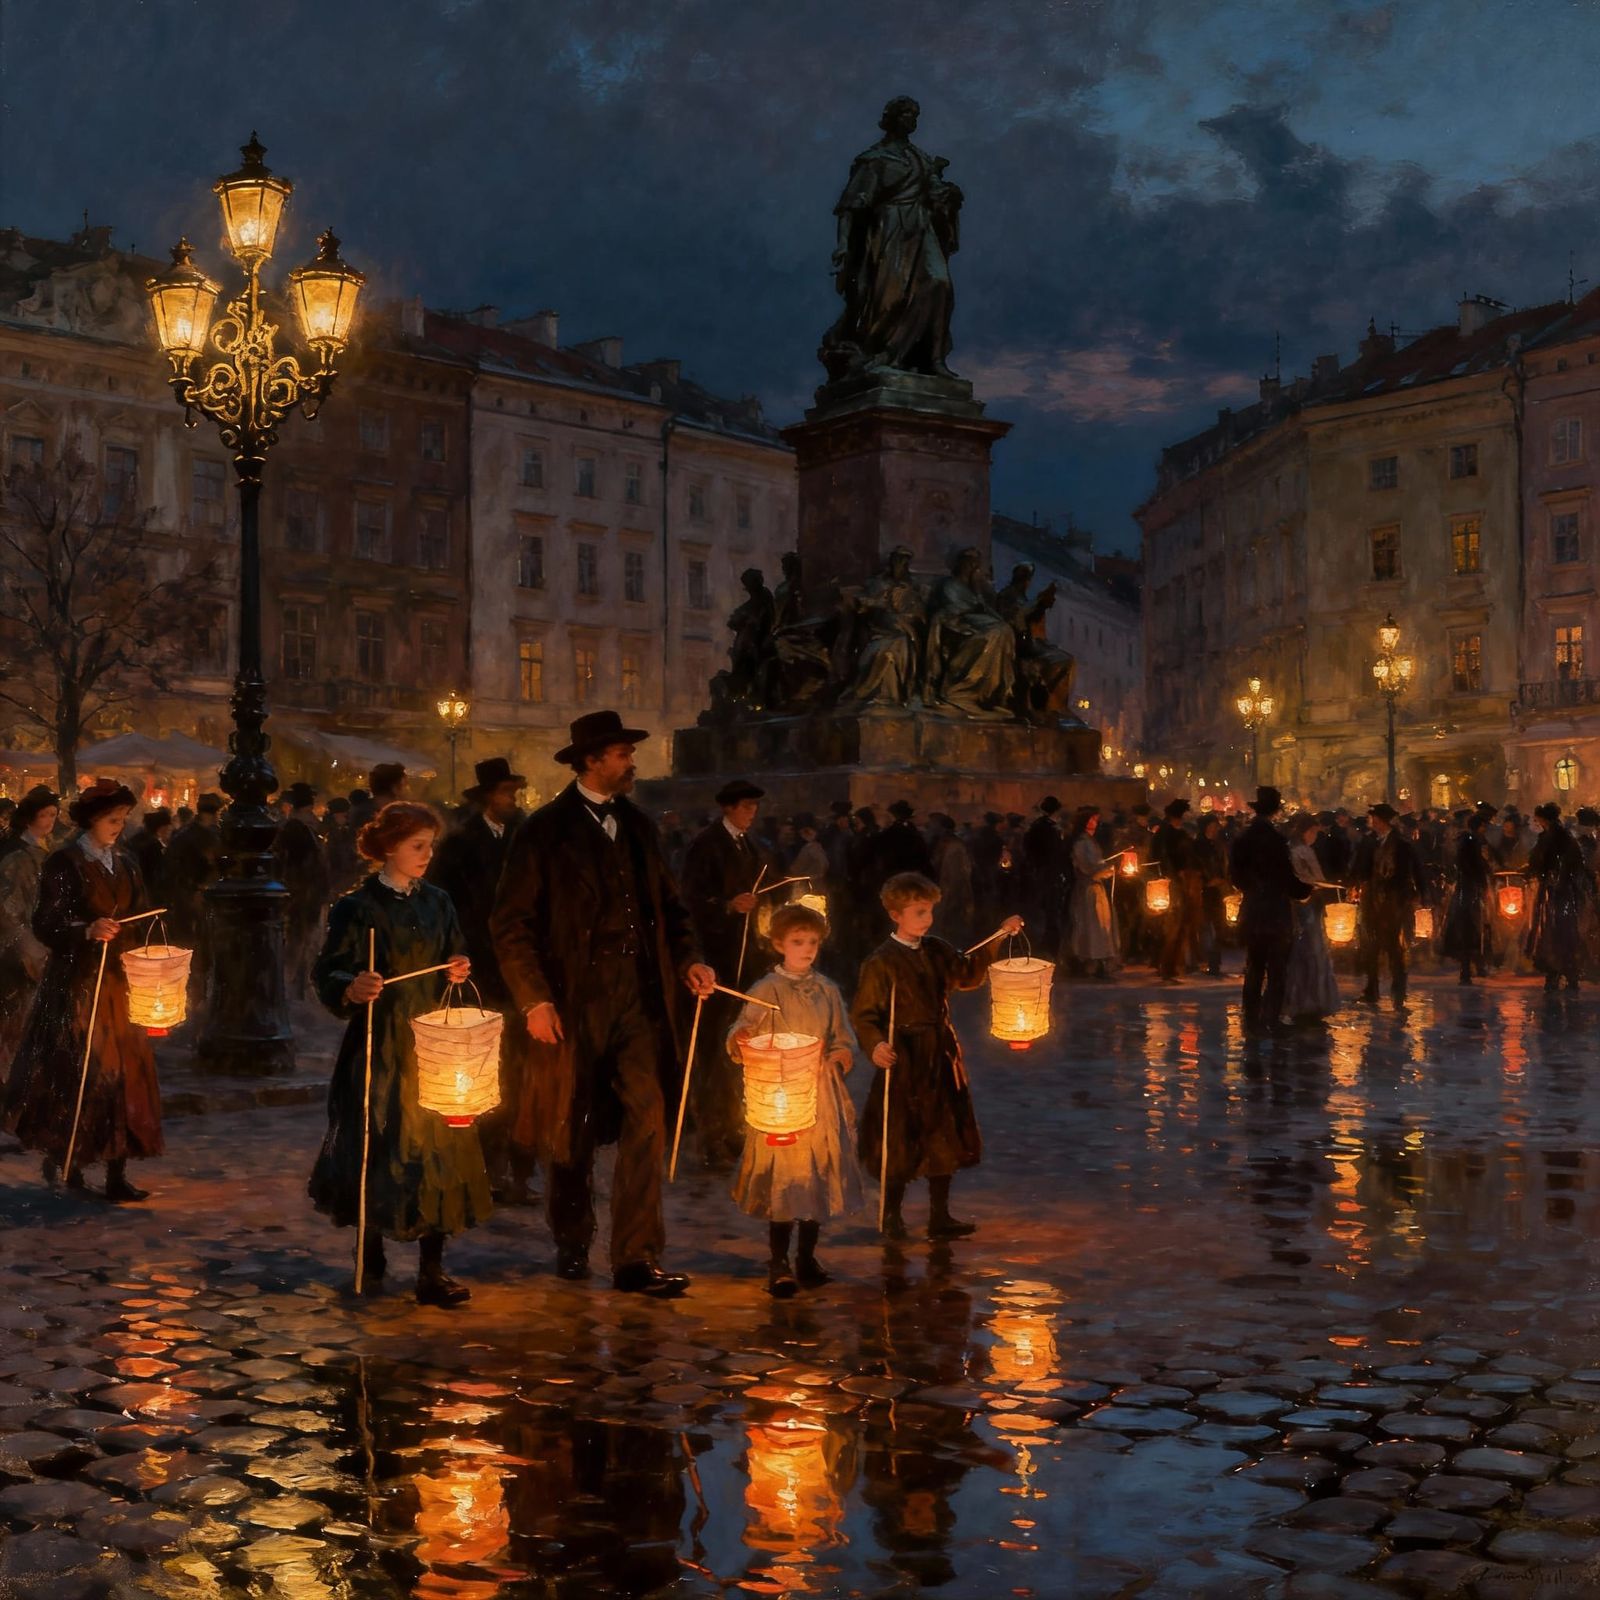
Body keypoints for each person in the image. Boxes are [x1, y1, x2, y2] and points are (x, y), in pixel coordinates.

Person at [490, 711, 714, 1297]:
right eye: (620, 754)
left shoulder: (640, 827)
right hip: (573, 1001)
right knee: (573, 1125)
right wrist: (535, 999)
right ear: (591, 761)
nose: (630, 762)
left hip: (640, 998)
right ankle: (571, 1238)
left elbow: (674, 908)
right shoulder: (543, 831)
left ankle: (637, 1257)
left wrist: (689, 959)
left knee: (648, 1120)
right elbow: (510, 925)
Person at [310, 802, 484, 1307]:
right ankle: (370, 1248)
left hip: (433, 1040)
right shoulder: (357, 907)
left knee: (436, 1149)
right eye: (417, 846)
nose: (428, 855)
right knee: (377, 1142)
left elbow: (455, 949)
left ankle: (433, 1268)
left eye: (431, 845)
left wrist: (456, 965)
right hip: (379, 1042)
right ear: (389, 848)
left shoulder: (439, 902)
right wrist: (351, 986)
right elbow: (328, 972)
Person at [2, 780, 160, 1200]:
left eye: (123, 820)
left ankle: (116, 1170)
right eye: (112, 820)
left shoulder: (125, 863)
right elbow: (46, 923)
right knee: (82, 1070)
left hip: (120, 983)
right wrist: (86, 930)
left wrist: (144, 935)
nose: (118, 827)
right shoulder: (65, 863)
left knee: (123, 1074)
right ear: (92, 820)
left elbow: (141, 911)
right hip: (78, 984)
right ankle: (68, 1160)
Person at [851, 871, 1022, 1240]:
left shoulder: (937, 949)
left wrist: (997, 937)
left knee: (942, 1134)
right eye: (918, 913)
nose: (927, 920)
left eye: (929, 912)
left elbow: (967, 972)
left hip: (939, 1054)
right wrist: (876, 1045)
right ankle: (891, 1215)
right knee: (900, 1138)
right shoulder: (881, 962)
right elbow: (864, 1015)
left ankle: (939, 1215)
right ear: (896, 915)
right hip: (905, 1059)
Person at [725, 903, 862, 1297]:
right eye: (798, 942)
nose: (807, 949)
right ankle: (778, 1260)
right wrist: (741, 1038)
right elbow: (743, 1026)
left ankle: (807, 1256)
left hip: (817, 1095)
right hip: (781, 1094)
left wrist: (839, 1054)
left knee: (815, 1175)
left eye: (813, 942)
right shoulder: (766, 990)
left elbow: (842, 1035)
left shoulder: (827, 990)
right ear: (779, 944)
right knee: (784, 1179)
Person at [427, 757, 534, 1205]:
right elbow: (443, 907)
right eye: (507, 792)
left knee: (521, 1075)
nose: (514, 800)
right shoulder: (460, 844)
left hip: (521, 973)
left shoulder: (524, 836)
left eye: (515, 792)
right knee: (483, 1074)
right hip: (480, 972)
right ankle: (482, 1170)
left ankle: (518, 1170)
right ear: (489, 796)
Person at [681, 779, 777, 1169]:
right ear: (728, 808)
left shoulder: (756, 849)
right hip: (714, 962)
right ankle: (711, 1135)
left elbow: (767, 895)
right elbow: (688, 900)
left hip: (748, 961)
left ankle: (734, 1128)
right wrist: (726, 906)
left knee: (742, 1047)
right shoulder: (706, 845)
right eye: (745, 807)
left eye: (755, 807)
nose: (751, 813)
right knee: (713, 1050)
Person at [1229, 786, 1312, 1036]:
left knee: (1254, 965)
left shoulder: (1243, 839)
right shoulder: (1276, 840)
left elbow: (1236, 876)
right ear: (1276, 811)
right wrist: (1305, 890)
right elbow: (1287, 878)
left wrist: (1252, 889)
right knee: (1277, 969)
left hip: (1253, 909)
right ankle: (1270, 1018)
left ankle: (1251, 1016)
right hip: (1275, 912)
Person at [0, 787, 59, 1081]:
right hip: (18, 947)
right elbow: (10, 910)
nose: (49, 820)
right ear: (28, 818)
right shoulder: (18, 857)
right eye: (43, 815)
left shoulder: (46, 849)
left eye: (53, 814)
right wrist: (29, 945)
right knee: (15, 1015)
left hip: (40, 940)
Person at [1350, 802, 1426, 1008]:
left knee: (1393, 946)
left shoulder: (1401, 844)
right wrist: (1355, 884)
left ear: (1382, 821)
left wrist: (1421, 894)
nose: (1372, 823)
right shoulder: (1369, 842)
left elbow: (1415, 870)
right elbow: (1360, 867)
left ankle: (1398, 991)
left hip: (1394, 900)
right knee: (1370, 946)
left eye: (1374, 819)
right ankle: (1372, 989)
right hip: (1371, 899)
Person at [163, 791, 225, 995]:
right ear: (215, 812)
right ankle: (195, 993)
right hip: (196, 898)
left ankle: (191, 991)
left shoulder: (183, 834)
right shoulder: (210, 836)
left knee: (190, 947)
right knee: (198, 948)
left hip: (186, 898)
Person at [1525, 802, 1588, 992]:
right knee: (1563, 933)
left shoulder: (1552, 838)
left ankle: (1557, 975)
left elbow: (1539, 861)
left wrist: (1534, 871)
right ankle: (1566, 975)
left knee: (1554, 933)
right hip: (1563, 891)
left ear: (1544, 819)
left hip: (1556, 892)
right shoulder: (1565, 837)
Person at [1283, 815, 1340, 1024]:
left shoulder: (1290, 848)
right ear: (1307, 832)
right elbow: (1316, 879)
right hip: (1308, 904)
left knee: (1298, 954)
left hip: (1294, 904)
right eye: (1314, 832)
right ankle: (1310, 1000)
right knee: (1312, 952)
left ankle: (1296, 1000)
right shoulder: (1303, 851)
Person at [277, 783, 330, 1002]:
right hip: (303, 896)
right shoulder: (297, 829)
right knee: (300, 942)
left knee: (303, 942)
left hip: (305, 895)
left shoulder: (297, 828)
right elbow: (303, 868)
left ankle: (297, 986)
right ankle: (292, 989)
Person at [1064, 806, 1116, 978]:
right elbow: (1087, 867)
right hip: (1087, 890)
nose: (1096, 822)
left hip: (1096, 889)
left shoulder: (1090, 841)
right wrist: (1104, 870)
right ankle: (1089, 963)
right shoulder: (1081, 843)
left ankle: (1100, 962)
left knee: (1101, 927)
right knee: (1090, 928)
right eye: (1093, 819)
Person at [1442, 812, 1493, 985]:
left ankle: (1473, 966)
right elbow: (1476, 864)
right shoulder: (1471, 842)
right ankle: (1468, 969)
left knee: (1472, 929)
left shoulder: (1466, 841)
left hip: (1467, 889)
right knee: (1471, 928)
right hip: (1469, 890)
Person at [1154, 798, 1200, 983]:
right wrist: (1178, 874)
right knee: (1174, 926)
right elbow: (1167, 858)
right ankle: (1168, 966)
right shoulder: (1170, 835)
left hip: (1175, 882)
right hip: (1173, 884)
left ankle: (1171, 965)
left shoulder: (1166, 833)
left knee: (1177, 926)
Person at [1021, 797, 1066, 952]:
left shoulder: (1036, 826)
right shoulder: (1049, 829)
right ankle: (1047, 947)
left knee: (1043, 912)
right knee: (1049, 913)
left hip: (1040, 874)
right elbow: (1056, 853)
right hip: (1049, 875)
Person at [927, 813, 975, 949]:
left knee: (952, 927)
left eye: (933, 823)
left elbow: (956, 875)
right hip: (942, 890)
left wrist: (950, 894)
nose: (929, 826)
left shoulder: (954, 845)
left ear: (941, 826)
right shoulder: (941, 843)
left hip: (951, 892)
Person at [1193, 814, 1231, 977]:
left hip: (1218, 890)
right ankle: (1207, 960)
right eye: (1214, 825)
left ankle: (1215, 962)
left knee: (1219, 926)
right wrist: (1206, 881)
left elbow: (1224, 864)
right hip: (1204, 890)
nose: (1217, 828)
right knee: (1205, 927)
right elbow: (1195, 867)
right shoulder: (1197, 846)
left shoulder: (1219, 845)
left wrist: (1223, 879)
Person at [130, 808, 172, 906]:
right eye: (168, 828)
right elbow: (157, 874)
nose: (169, 831)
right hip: (149, 894)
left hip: (134, 890)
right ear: (161, 828)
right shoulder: (154, 845)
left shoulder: (135, 839)